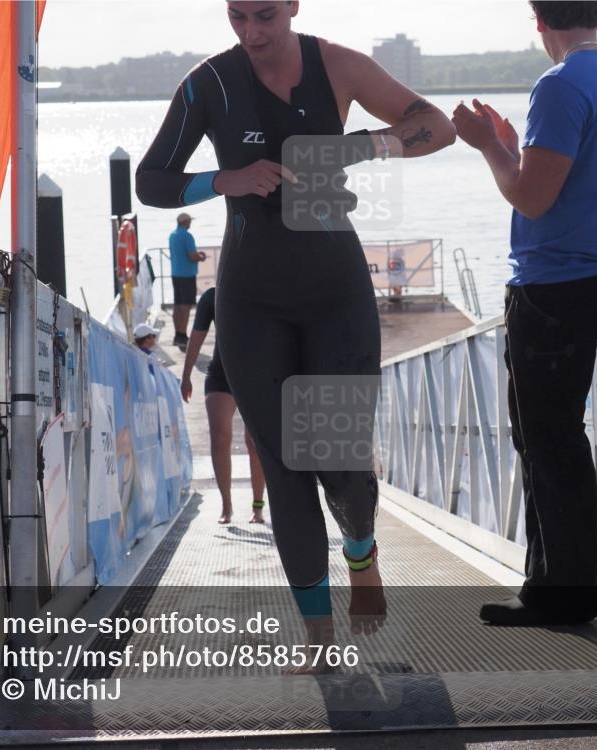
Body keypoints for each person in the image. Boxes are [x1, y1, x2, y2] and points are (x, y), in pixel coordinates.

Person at [136, 0, 455, 640]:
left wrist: (366, 146)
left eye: (264, 17)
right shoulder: (209, 83)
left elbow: (437, 126)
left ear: (293, 6)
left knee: (337, 457)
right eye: (236, 17)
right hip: (252, 298)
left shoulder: (337, 65)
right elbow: (151, 181)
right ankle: (317, 634)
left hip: (333, 291)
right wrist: (226, 179)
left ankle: (360, 551)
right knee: (283, 466)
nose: (251, 33)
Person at [452, 0, 597, 626]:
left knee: (545, 441)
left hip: (552, 288)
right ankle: (570, 582)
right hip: (593, 275)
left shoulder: (559, 86)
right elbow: (562, 178)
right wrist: (511, 143)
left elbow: (531, 198)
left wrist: (484, 147)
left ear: (538, 20)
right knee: (558, 439)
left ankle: (561, 594)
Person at [181, 287, 267, 525]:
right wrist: (186, 375)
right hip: (221, 374)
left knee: (254, 443)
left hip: (257, 376)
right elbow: (196, 337)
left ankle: (258, 506)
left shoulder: (265, 290)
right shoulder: (213, 296)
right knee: (219, 437)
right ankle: (226, 504)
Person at [168, 212, 207, 351]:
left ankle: (177, 334)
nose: (190, 223)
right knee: (186, 306)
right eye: (189, 220)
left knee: (177, 304)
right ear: (184, 222)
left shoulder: (172, 235)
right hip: (187, 275)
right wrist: (201, 257)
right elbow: (192, 256)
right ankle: (183, 335)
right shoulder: (187, 236)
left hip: (176, 273)